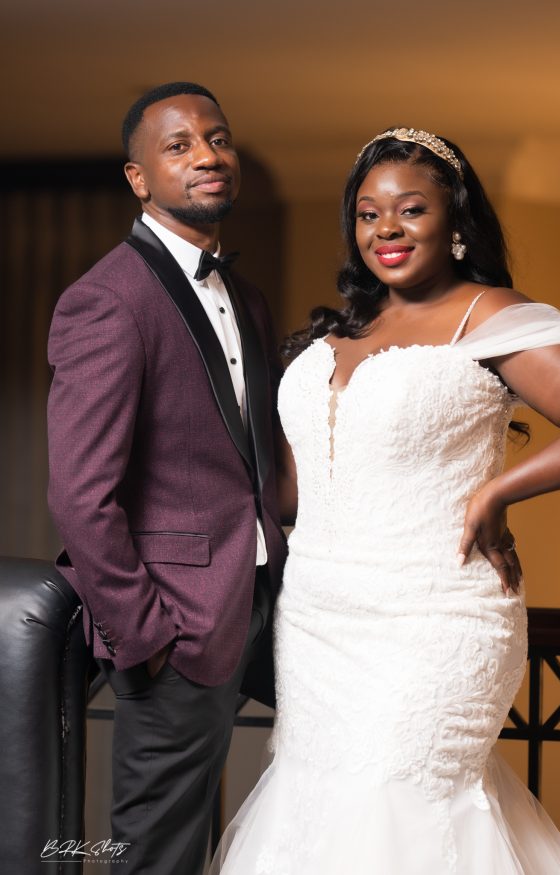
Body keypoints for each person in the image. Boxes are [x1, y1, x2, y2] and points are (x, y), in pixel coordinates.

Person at [210, 127, 560, 875]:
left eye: (410, 209)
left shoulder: (489, 316)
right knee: (318, 806)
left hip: (434, 618)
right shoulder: (345, 330)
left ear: (455, 222)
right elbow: (299, 489)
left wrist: (499, 490)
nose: (386, 228)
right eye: (368, 214)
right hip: (319, 621)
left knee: (399, 800)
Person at [47, 82, 286, 874]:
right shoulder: (107, 299)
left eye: (217, 138)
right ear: (138, 178)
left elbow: (250, 461)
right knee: (157, 853)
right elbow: (81, 494)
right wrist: (144, 635)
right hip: (177, 626)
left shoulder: (244, 296)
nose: (208, 155)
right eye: (178, 146)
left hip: (266, 605)